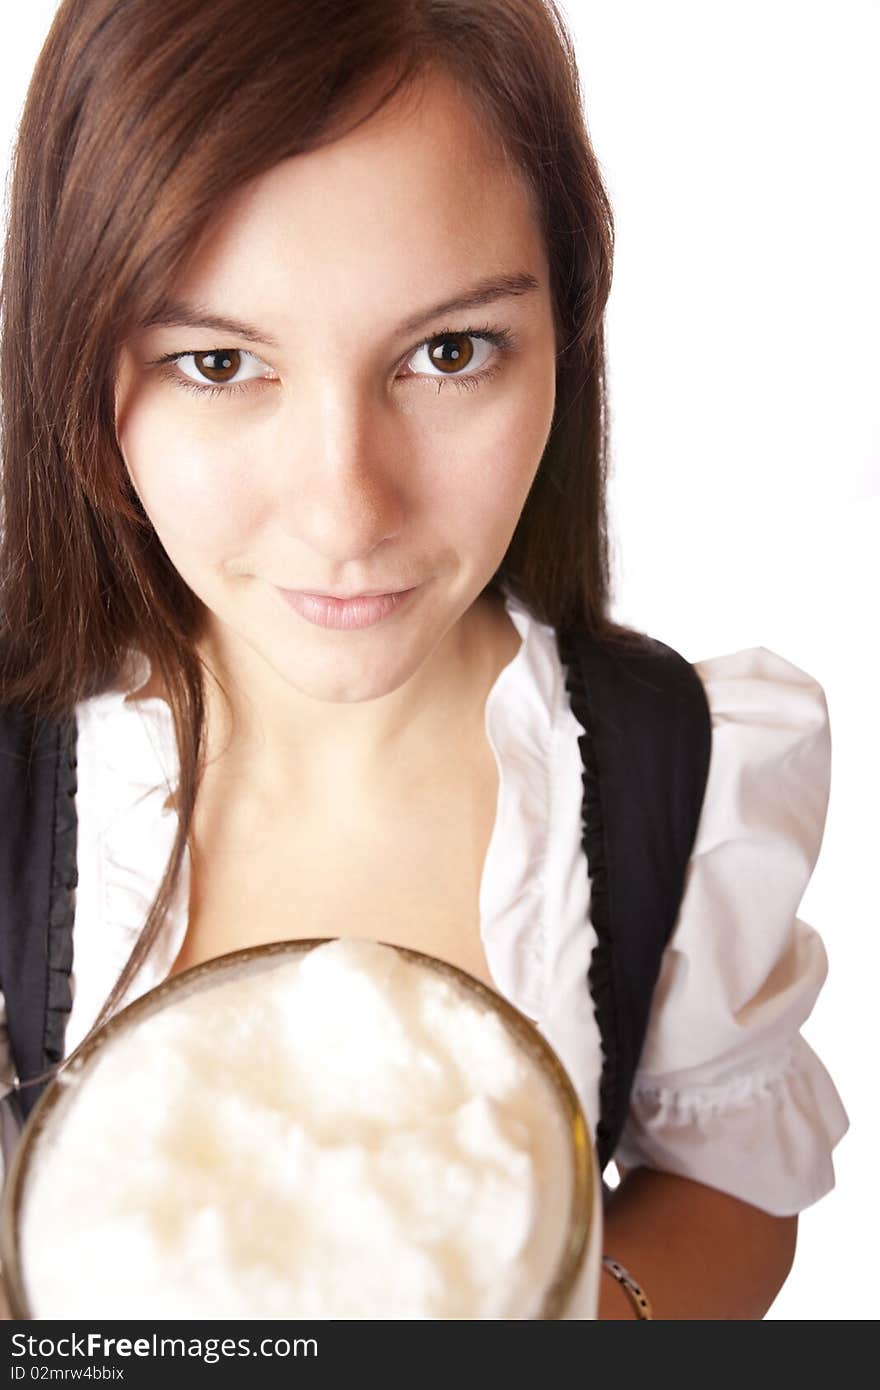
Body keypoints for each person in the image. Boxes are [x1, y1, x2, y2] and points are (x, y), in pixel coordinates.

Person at [0, 0, 847, 1319]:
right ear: (81, 366)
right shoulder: (19, 767)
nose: (347, 511)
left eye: (448, 352)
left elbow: (733, 1182)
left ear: (564, 338)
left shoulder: (679, 775)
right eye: (220, 362)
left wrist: (587, 1314)